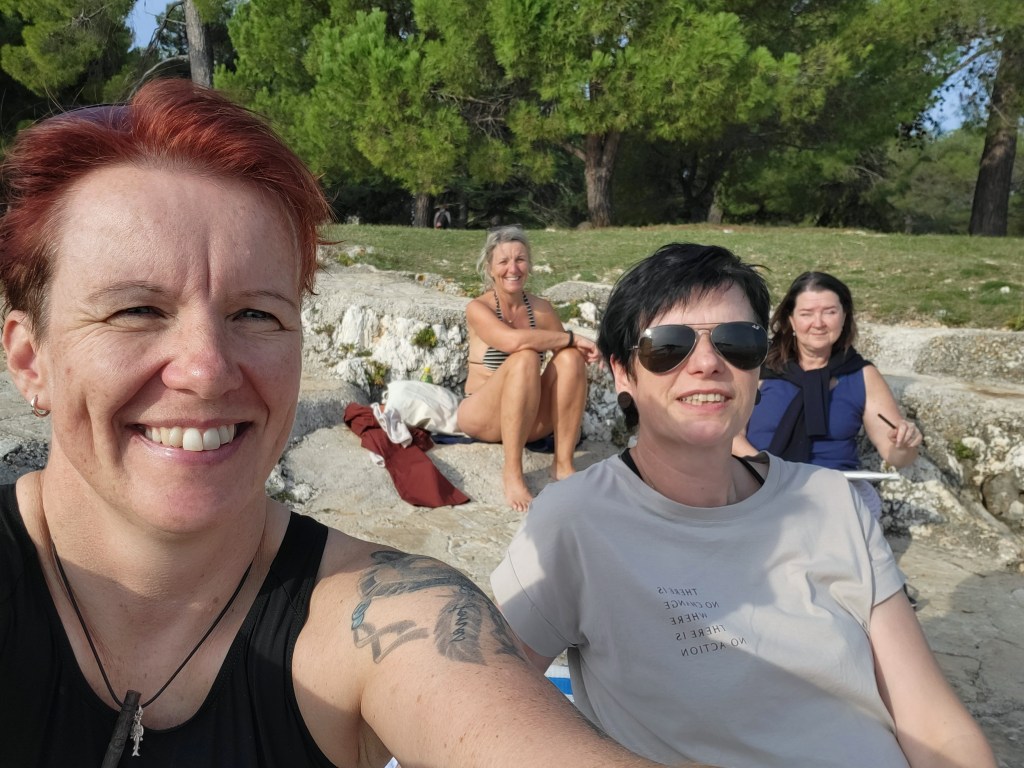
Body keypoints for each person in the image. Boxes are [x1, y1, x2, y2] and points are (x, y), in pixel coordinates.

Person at [0, 80, 716, 768]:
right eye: (136, 310)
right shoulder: (491, 310)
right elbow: (513, 349)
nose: (207, 370)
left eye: (256, 314)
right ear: (30, 360)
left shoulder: (393, 613)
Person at [491, 243, 995, 767]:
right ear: (623, 373)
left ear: (758, 365)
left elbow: (934, 723)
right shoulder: (576, 521)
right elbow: (486, 703)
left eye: (737, 341)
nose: (708, 363)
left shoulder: (832, 501)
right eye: (668, 345)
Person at [732, 271, 923, 522]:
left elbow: (895, 455)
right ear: (790, 320)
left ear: (844, 316)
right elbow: (732, 437)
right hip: (761, 480)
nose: (819, 323)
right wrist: (771, 473)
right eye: (806, 313)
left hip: (835, 490)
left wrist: (905, 445)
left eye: (830, 312)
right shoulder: (759, 370)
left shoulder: (862, 374)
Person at [456, 226, 601, 512]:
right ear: (490, 268)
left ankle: (563, 465)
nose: (513, 269)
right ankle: (512, 473)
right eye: (503, 261)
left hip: (527, 420)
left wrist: (577, 348)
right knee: (525, 357)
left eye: (520, 259)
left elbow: (567, 360)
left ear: (529, 265)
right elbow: (511, 342)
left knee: (571, 358)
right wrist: (571, 337)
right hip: (483, 416)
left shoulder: (541, 309)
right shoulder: (478, 308)